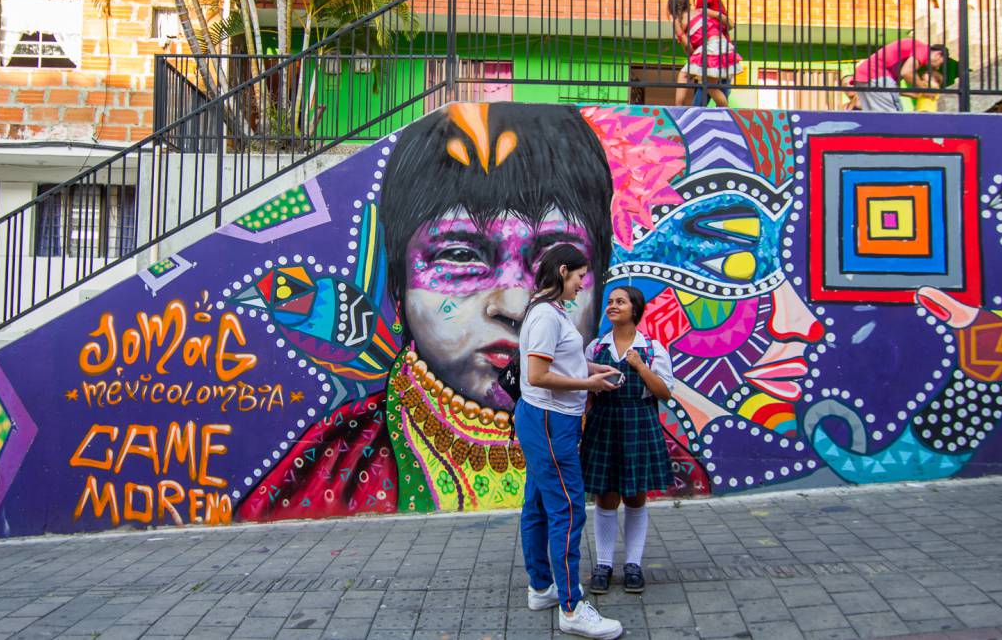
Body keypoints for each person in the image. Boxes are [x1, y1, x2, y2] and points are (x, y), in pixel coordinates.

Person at [235, 103, 617, 522]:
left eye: (558, 265)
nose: (514, 307)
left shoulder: (634, 446)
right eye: (460, 256)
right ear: (399, 289)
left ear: (597, 279)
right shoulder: (332, 470)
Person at [517, 243, 624, 639]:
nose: (582, 284)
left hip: (543, 419)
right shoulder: (547, 316)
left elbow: (557, 362)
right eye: (580, 276)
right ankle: (571, 607)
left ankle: (542, 587)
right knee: (567, 509)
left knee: (538, 505)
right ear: (563, 271)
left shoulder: (547, 309)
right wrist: (588, 384)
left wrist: (593, 369)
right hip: (550, 421)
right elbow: (538, 375)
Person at [580, 285, 675, 595]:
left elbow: (664, 392)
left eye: (620, 301)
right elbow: (585, 390)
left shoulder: (652, 349)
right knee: (606, 497)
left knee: (635, 497)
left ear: (635, 309)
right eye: (610, 301)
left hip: (639, 422)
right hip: (604, 422)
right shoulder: (596, 348)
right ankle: (603, 564)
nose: (612, 306)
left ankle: (633, 564)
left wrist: (640, 366)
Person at [853, 39, 948, 112]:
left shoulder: (913, 51)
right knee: (894, 117)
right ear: (938, 55)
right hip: (876, 74)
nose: (937, 68)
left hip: (863, 76)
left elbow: (896, 89)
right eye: (941, 63)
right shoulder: (923, 49)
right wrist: (926, 90)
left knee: (876, 117)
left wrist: (917, 93)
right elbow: (907, 72)